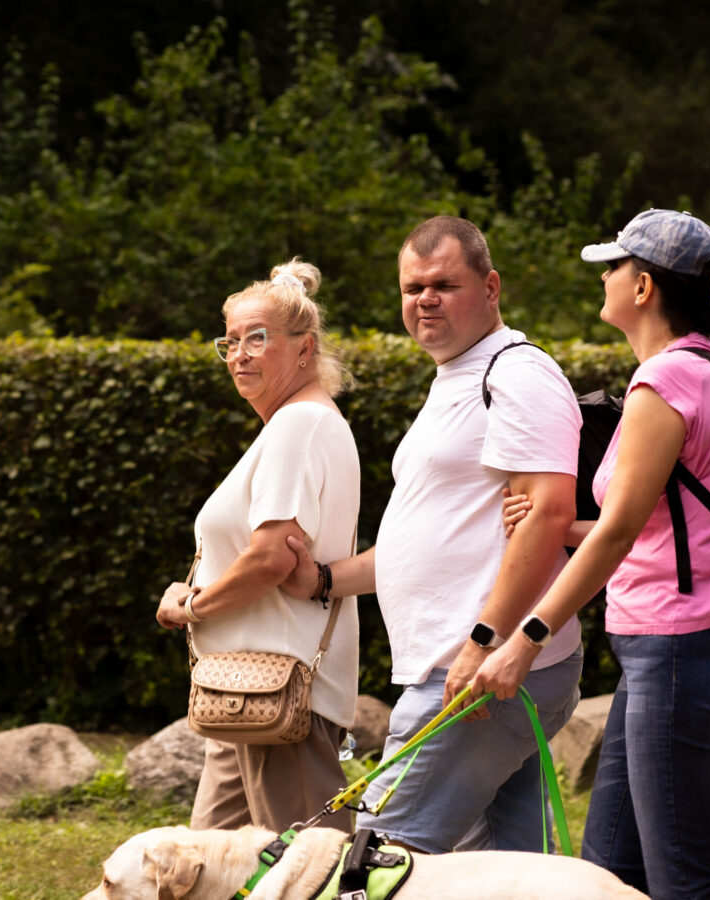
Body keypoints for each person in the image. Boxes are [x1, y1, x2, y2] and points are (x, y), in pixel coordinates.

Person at [472, 209, 710, 899]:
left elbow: (620, 531)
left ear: (643, 287)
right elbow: (665, 524)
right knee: (607, 876)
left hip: (682, 648)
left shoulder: (664, 384)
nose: (602, 278)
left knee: (684, 884)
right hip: (671, 649)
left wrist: (526, 638)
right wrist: (557, 527)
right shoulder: (700, 370)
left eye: (613, 266)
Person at [285, 215, 584, 854]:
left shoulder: (514, 373)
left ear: (491, 286)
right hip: (472, 669)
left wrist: (484, 641)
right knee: (502, 878)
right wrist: (329, 580)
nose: (425, 299)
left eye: (444, 284)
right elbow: (432, 536)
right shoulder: (457, 377)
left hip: (479, 672)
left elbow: (547, 518)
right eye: (411, 287)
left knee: (376, 859)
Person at [155, 258, 360, 834]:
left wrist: (193, 605)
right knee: (210, 872)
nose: (239, 354)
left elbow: (272, 558)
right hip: (242, 695)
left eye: (257, 338)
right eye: (230, 342)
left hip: (282, 697)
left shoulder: (299, 427)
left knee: (308, 873)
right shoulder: (294, 426)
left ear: (304, 348)